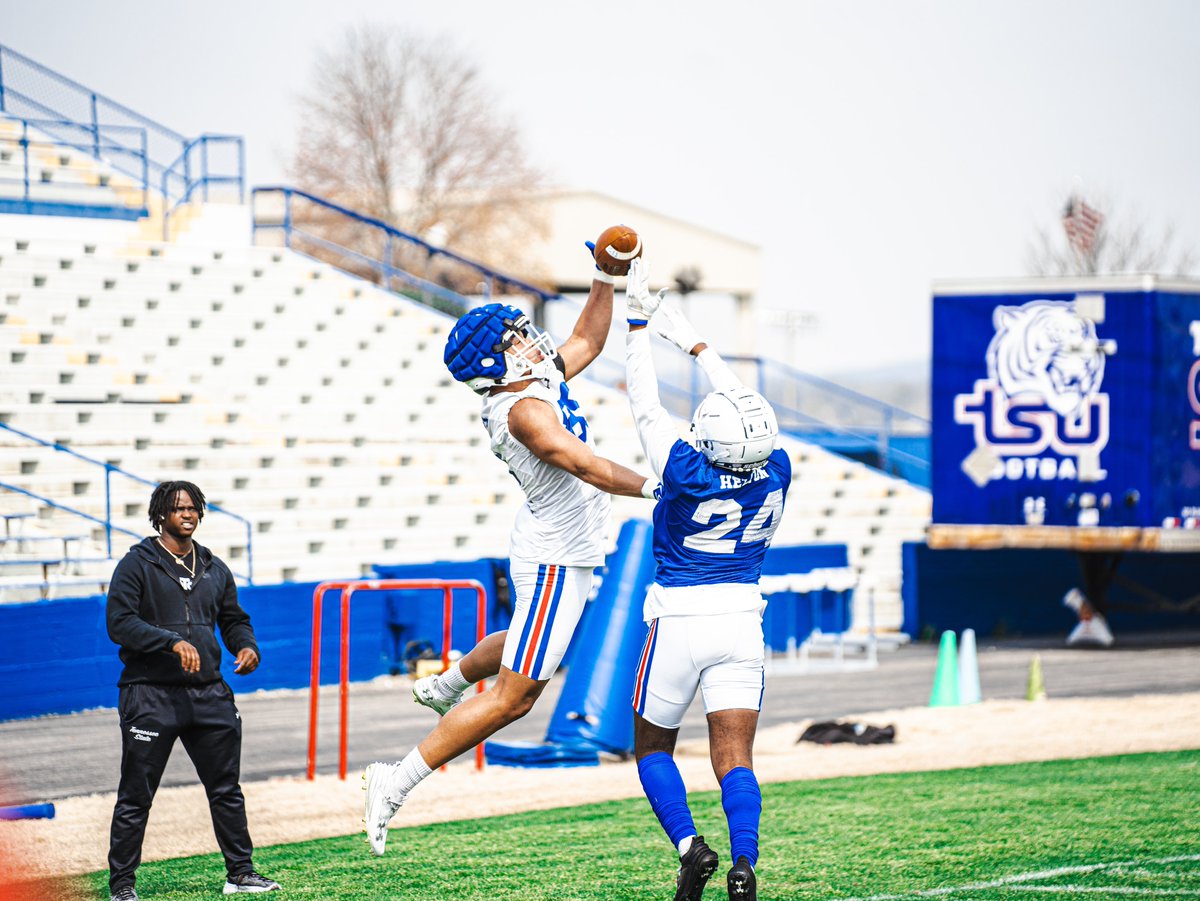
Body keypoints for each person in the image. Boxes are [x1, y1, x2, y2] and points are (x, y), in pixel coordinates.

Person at [363, 238, 658, 856]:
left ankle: (447, 683)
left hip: (554, 546)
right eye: (517, 337)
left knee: (529, 640)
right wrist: (658, 487)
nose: (532, 340)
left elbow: (587, 341)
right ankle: (398, 778)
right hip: (555, 555)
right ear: (493, 365)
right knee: (516, 696)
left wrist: (604, 276)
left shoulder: (533, 377)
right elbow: (583, 464)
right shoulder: (520, 409)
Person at [622, 258, 790, 901]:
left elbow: (644, 402)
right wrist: (696, 343)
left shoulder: (687, 469)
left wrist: (637, 326)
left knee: (653, 751)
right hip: (742, 620)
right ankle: (745, 862)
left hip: (679, 618)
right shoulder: (778, 469)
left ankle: (692, 849)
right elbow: (749, 410)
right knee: (736, 760)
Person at [105, 481, 279, 900]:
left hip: (209, 695)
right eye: (177, 508)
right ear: (160, 515)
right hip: (150, 695)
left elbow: (234, 618)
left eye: (193, 508)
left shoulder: (214, 567)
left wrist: (246, 645)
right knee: (136, 796)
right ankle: (122, 887)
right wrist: (170, 641)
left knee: (226, 789)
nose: (187, 514)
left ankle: (240, 874)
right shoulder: (137, 564)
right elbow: (119, 623)